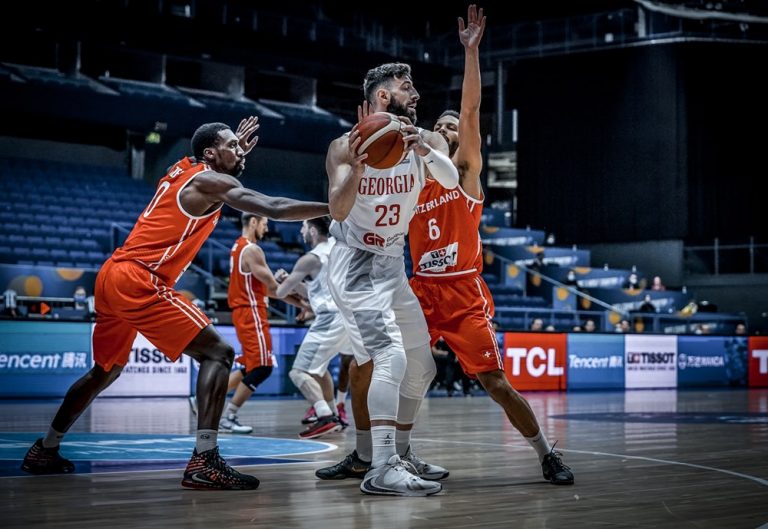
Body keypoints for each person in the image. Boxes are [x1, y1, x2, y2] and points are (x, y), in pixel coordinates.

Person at [318, 5, 573, 488]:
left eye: (453, 128)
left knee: (484, 379)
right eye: (443, 125)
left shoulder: (460, 171)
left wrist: (471, 53)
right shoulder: (405, 164)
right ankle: (371, 457)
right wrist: (363, 161)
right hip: (415, 283)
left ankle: (544, 451)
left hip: (460, 290)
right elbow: (346, 202)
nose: (449, 129)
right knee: (370, 364)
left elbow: (469, 113)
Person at [20, 117, 329, 490]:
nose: (240, 150)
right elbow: (274, 206)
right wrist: (335, 208)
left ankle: (45, 448)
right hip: (139, 278)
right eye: (232, 145)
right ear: (210, 154)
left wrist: (232, 154)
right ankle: (204, 461)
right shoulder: (208, 180)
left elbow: (212, 166)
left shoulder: (181, 170)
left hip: (112, 275)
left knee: (104, 371)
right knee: (218, 353)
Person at [320, 53, 460, 496]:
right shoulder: (344, 146)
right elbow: (337, 209)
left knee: (422, 366)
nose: (415, 94)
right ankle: (381, 468)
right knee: (390, 357)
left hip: (393, 263)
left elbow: (451, 182)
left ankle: (399, 453)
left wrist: (423, 149)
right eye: (406, 86)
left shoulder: (426, 138)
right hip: (356, 262)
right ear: (383, 95)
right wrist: (358, 171)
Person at [217, 212, 307, 434]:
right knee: (263, 367)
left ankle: (205, 398)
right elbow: (275, 287)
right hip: (251, 312)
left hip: (247, 310)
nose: (267, 229)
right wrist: (303, 296)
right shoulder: (252, 250)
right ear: (253, 222)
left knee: (251, 366)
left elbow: (268, 290)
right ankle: (229, 416)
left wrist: (301, 304)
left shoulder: (238, 247)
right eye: (265, 224)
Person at [274, 216, 348, 439]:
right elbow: (316, 291)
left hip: (330, 318)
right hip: (349, 316)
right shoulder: (337, 249)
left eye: (303, 227)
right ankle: (335, 414)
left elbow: (279, 292)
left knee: (298, 372)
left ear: (313, 231)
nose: (301, 232)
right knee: (320, 370)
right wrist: (297, 285)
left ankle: (325, 416)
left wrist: (283, 280)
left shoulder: (310, 258)